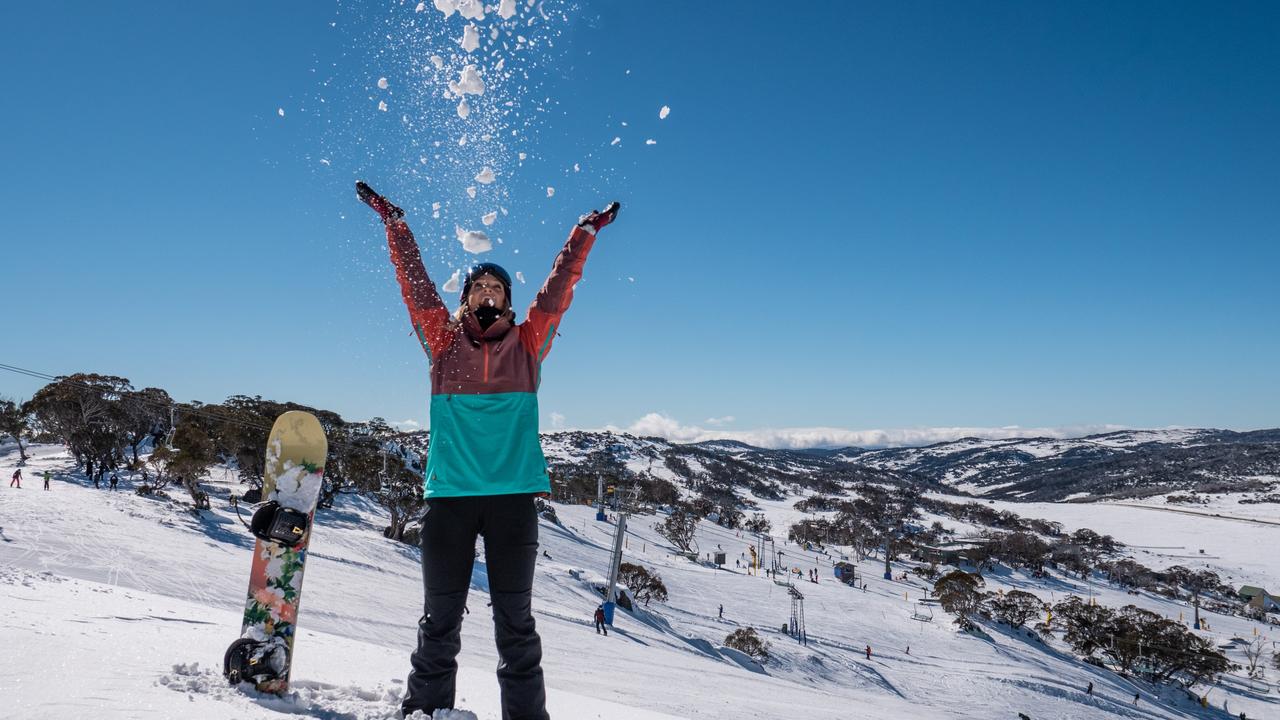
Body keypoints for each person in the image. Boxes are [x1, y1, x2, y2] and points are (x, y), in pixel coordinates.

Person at [359, 181, 619, 720]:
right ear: (465, 299)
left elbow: (557, 291)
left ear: (506, 300)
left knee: (515, 623)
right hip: (450, 498)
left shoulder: (528, 344)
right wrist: (395, 224)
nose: (486, 291)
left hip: (513, 502)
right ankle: (426, 712)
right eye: (477, 284)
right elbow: (415, 285)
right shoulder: (442, 342)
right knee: (440, 620)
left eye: (495, 286)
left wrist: (583, 234)